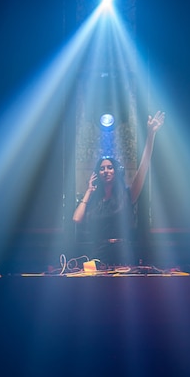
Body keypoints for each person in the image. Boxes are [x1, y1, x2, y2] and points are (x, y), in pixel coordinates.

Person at [72, 111, 165, 267]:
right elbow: (76, 218)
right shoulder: (94, 200)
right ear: (98, 173)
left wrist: (150, 135)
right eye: (102, 169)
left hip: (123, 252)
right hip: (98, 252)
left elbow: (143, 168)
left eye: (110, 168)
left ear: (115, 171)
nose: (106, 171)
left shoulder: (127, 195)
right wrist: (88, 191)